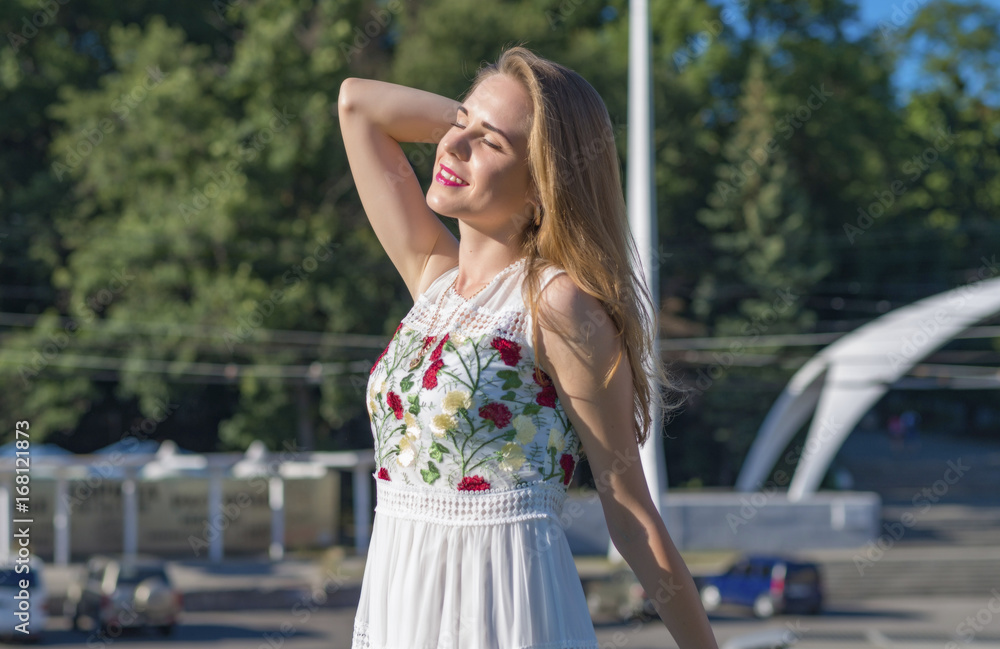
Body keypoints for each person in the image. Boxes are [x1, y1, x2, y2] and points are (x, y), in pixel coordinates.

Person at [338, 45, 718, 649]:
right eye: (457, 126)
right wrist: (479, 121)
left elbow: (631, 511)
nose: (453, 147)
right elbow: (357, 104)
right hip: (400, 607)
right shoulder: (433, 280)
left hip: (504, 611)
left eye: (491, 145)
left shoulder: (558, 305)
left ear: (544, 184)